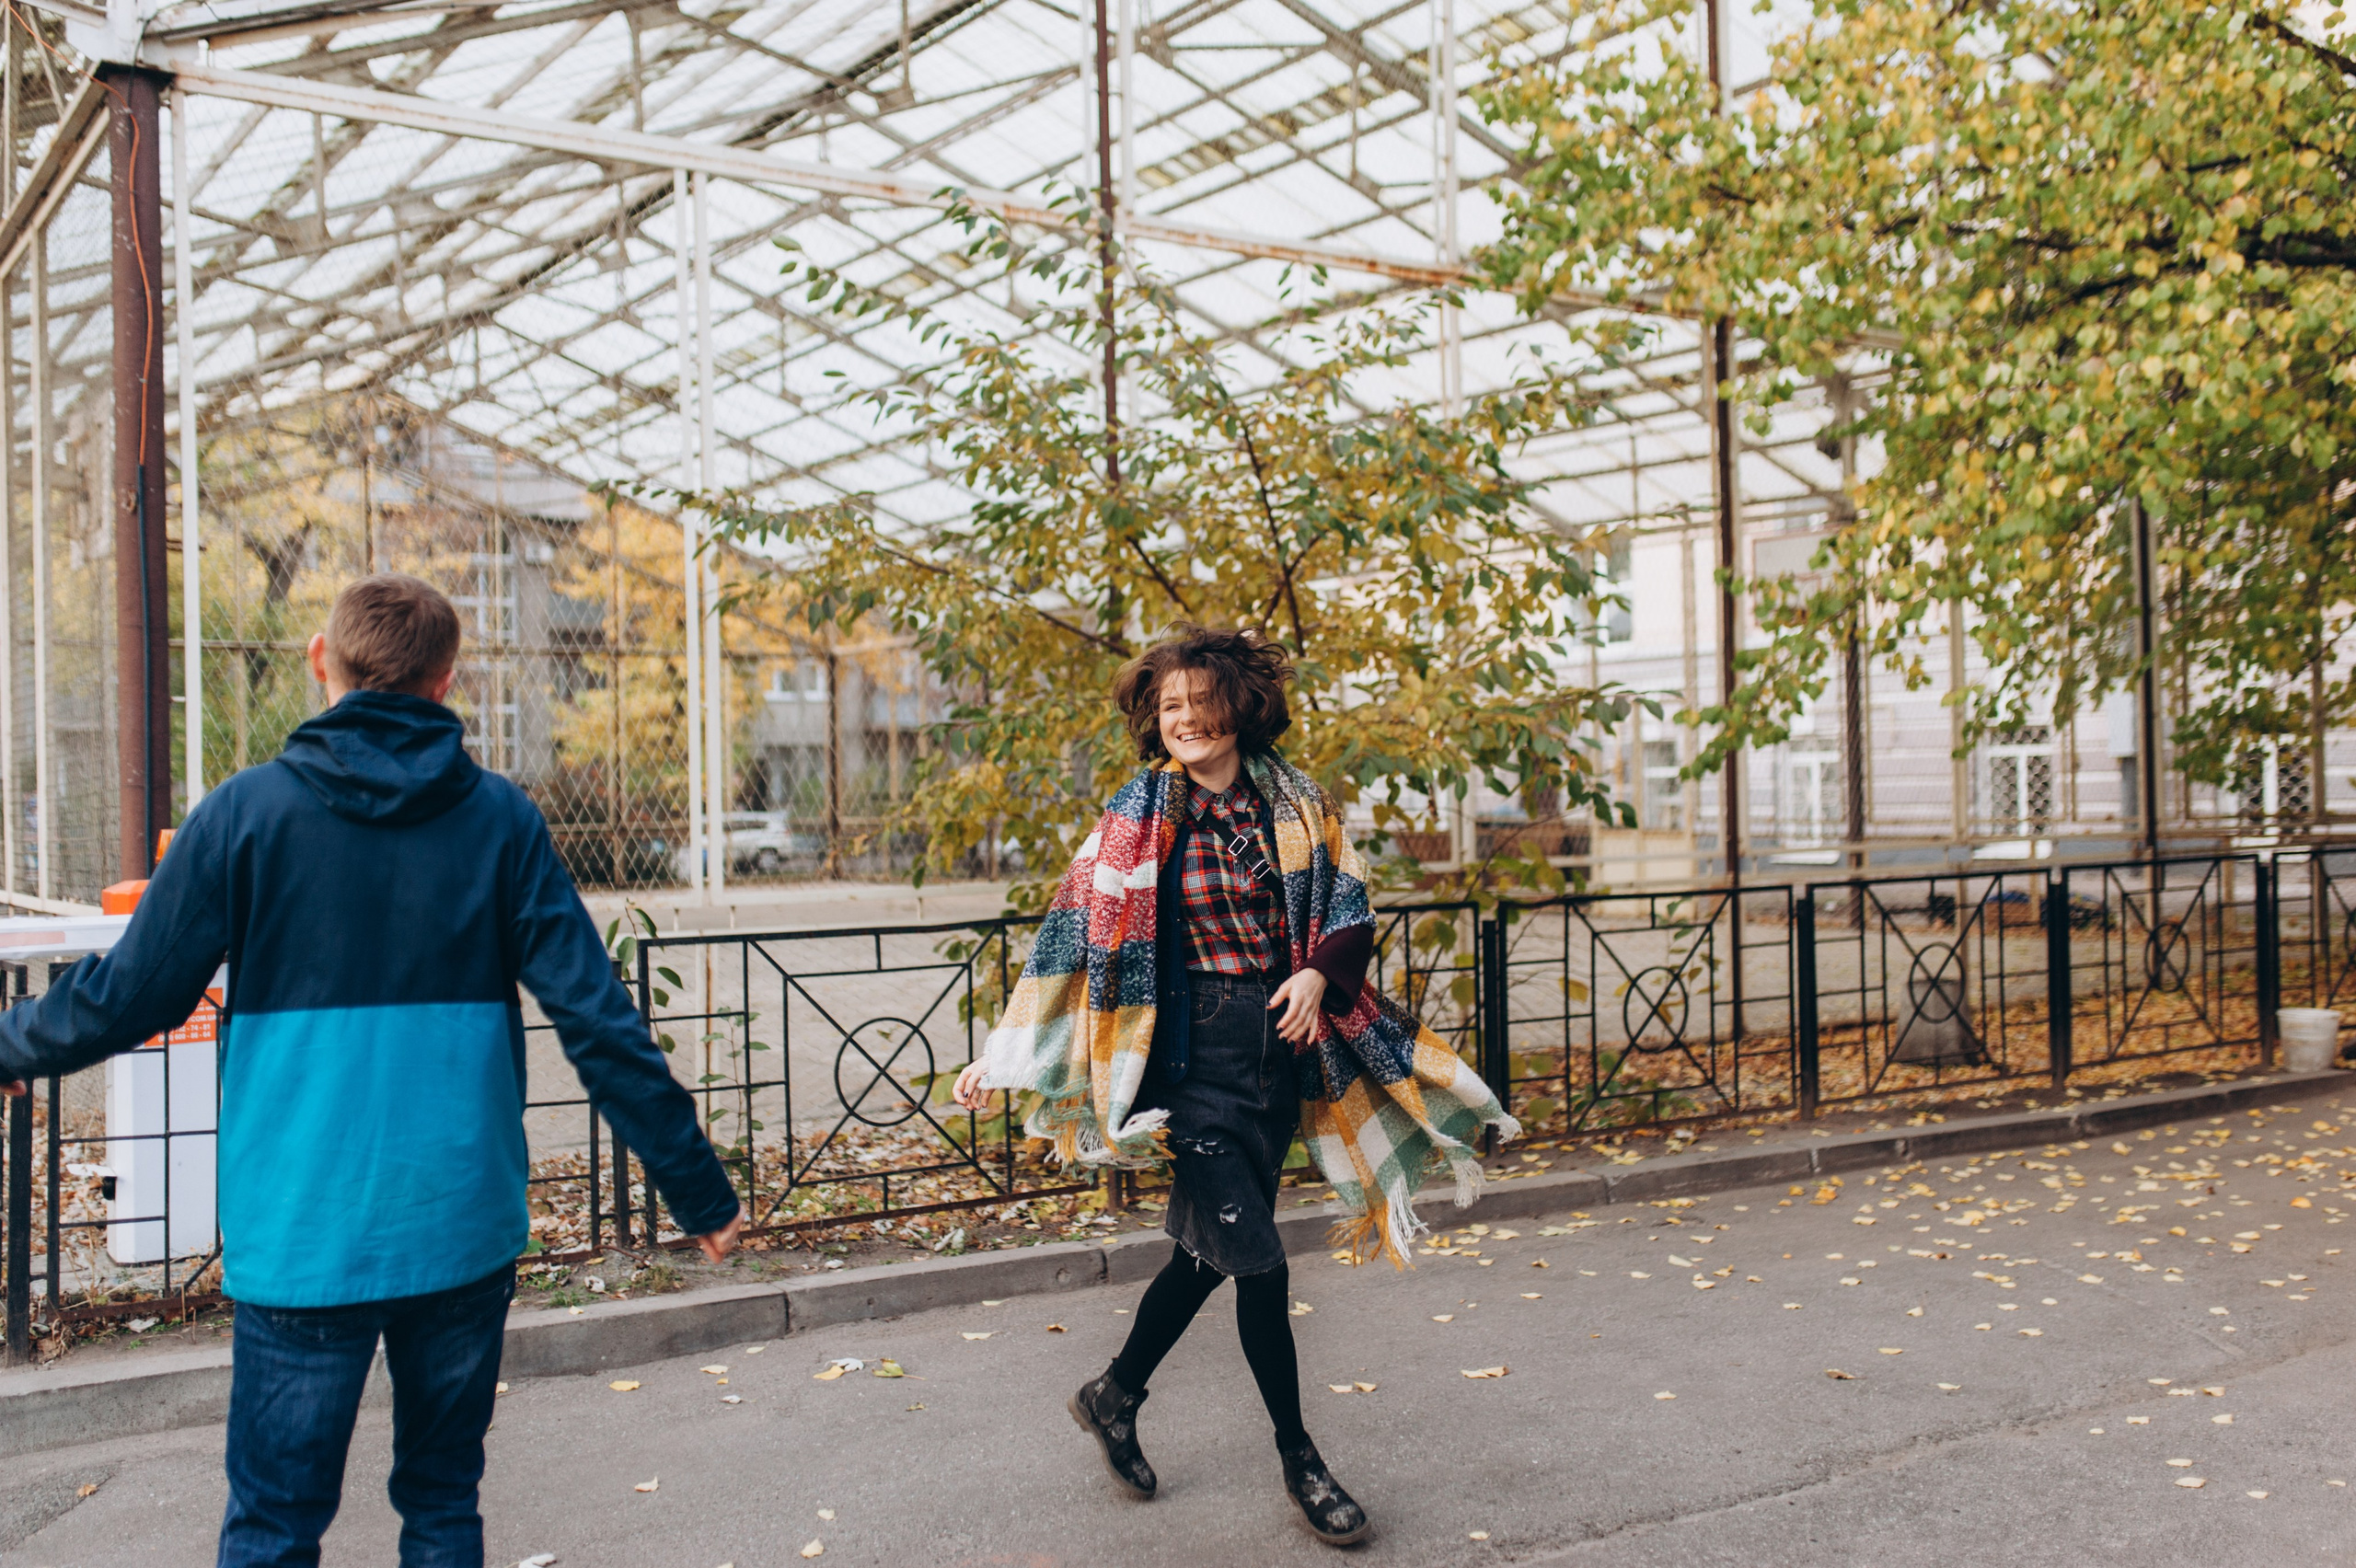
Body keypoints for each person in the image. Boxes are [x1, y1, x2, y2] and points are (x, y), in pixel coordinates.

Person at [0, 574, 745, 1568]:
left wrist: (10, 1046)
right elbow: (597, 1019)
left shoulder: (243, 817)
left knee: (273, 1525)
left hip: (303, 1227)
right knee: (443, 1504)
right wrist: (697, 1192)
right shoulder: (501, 822)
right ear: (446, 680)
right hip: (460, 1219)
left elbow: (130, 995)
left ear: (324, 660)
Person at [956, 623, 1518, 1548]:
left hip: (1276, 1057)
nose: (1181, 718)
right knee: (1258, 1265)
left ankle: (1113, 1394)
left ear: (1237, 706)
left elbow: (1347, 905)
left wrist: (1313, 976)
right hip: (1183, 1066)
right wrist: (1007, 1051)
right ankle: (1301, 1461)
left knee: (1204, 1253)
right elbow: (1069, 939)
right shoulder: (1136, 815)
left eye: (1198, 702)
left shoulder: (1295, 801)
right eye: (1167, 706)